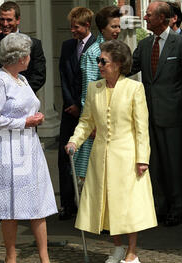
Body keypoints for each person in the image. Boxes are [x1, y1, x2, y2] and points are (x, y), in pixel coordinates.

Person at [66, 40, 158, 263]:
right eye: (98, 60)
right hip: (100, 156)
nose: (99, 65)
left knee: (128, 205)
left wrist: (142, 158)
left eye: (103, 61)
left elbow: (141, 127)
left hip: (127, 157)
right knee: (106, 204)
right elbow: (86, 122)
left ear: (118, 64)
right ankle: (117, 247)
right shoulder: (94, 87)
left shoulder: (134, 89)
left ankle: (132, 252)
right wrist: (74, 140)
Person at [0, 33, 58, 263]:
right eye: (28, 55)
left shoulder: (22, 80)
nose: (30, 58)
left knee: (37, 203)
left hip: (29, 146)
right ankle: (10, 257)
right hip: (7, 148)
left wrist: (32, 121)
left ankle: (44, 257)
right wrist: (24, 121)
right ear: (21, 57)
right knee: (11, 206)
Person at [130, 1, 182, 227]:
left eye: (149, 15)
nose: (145, 18)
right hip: (148, 114)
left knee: (174, 163)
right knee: (154, 163)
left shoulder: (181, 44)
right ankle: (158, 206)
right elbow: (128, 67)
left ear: (163, 18)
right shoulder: (144, 45)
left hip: (173, 115)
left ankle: (177, 207)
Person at [73, 6, 122, 191]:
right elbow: (88, 92)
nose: (117, 30)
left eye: (118, 26)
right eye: (113, 27)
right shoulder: (93, 53)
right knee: (93, 177)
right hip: (99, 122)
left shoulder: (120, 49)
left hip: (116, 121)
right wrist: (92, 124)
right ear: (102, 29)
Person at [58, 7, 95, 221]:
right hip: (69, 111)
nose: (73, 30)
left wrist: (83, 108)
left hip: (88, 112)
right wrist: (70, 103)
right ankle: (67, 204)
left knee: (87, 157)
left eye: (77, 27)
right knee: (65, 157)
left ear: (87, 26)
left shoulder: (97, 46)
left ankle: (87, 204)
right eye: (71, 26)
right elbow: (63, 76)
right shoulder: (67, 46)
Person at [0, 1, 46, 93]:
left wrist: (19, 92)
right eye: (2, 19)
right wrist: (2, 91)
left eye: (9, 20)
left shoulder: (33, 44)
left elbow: (39, 76)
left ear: (18, 20)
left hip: (25, 98)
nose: (5, 24)